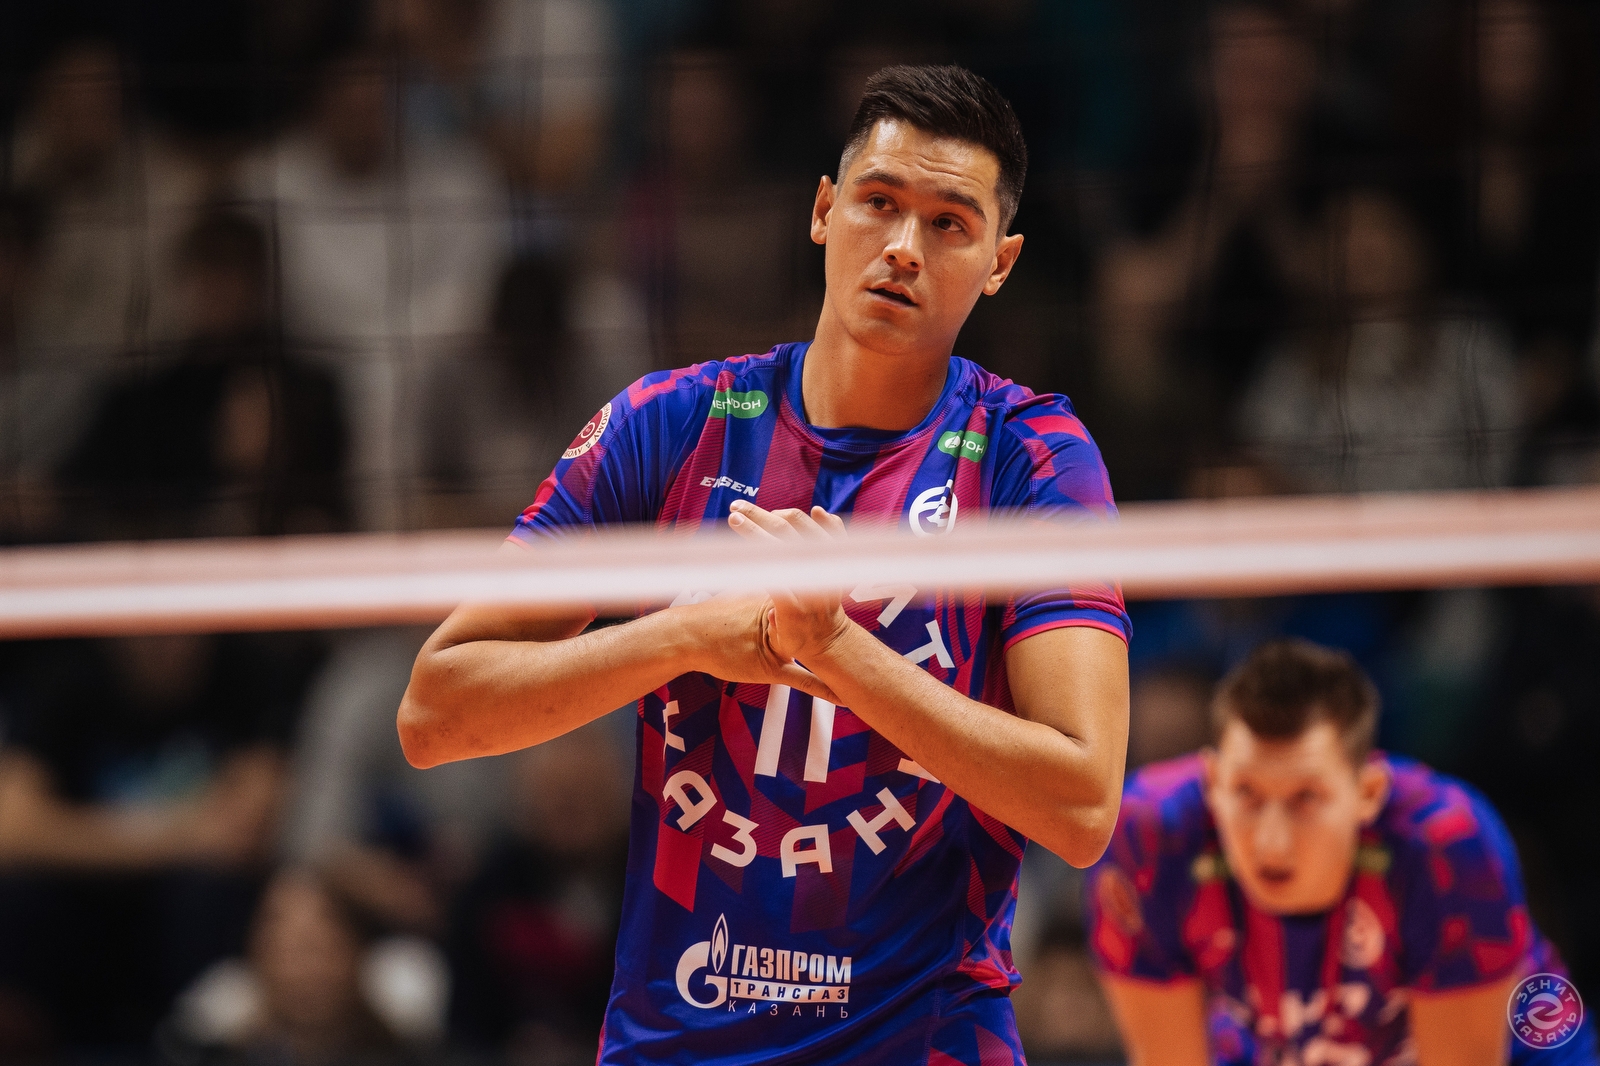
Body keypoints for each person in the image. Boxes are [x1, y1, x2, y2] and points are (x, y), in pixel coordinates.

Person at [399, 64, 1131, 1065]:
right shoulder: (669, 424)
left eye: (949, 225)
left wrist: (835, 649)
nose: (904, 247)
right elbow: (434, 715)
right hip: (679, 1042)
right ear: (824, 211)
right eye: (878, 203)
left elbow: (1083, 806)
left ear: (998, 262)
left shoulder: (1031, 455)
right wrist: (686, 636)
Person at [1086, 639, 1597, 1066]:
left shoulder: (1448, 842)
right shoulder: (1146, 838)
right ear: (1212, 781)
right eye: (1247, 795)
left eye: (1306, 799)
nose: (1272, 840)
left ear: (1368, 792)